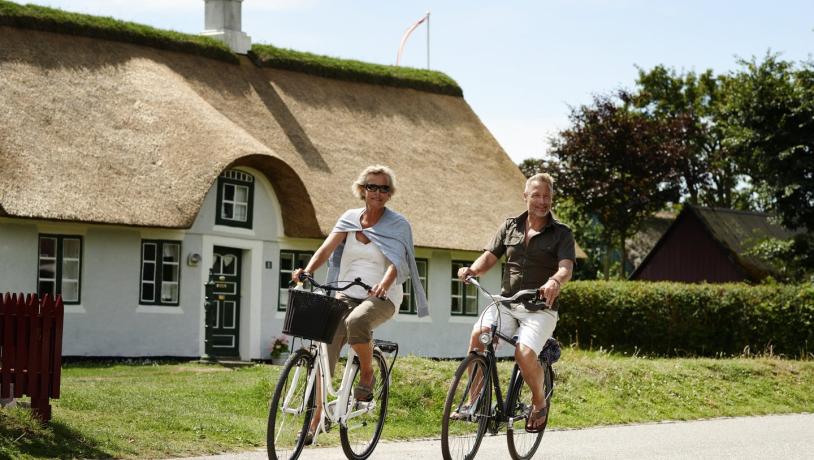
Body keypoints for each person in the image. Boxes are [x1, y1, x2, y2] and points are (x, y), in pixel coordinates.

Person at [292, 164, 428, 442]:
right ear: (362, 189)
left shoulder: (397, 224)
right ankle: (317, 418)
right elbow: (326, 248)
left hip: (381, 297)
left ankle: (367, 374)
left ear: (389, 194)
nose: (376, 192)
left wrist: (385, 284)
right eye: (371, 186)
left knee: (356, 321)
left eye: (383, 188)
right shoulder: (350, 218)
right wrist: (307, 270)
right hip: (345, 291)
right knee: (324, 349)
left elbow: (396, 263)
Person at [455, 172, 574, 432]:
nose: (542, 201)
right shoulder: (510, 226)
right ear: (525, 197)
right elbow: (489, 257)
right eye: (536, 195)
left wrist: (554, 281)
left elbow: (566, 268)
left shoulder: (562, 233)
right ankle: (475, 403)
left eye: (547, 196)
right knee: (479, 334)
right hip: (507, 303)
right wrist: (472, 270)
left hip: (540, 309)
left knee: (523, 353)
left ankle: (539, 402)